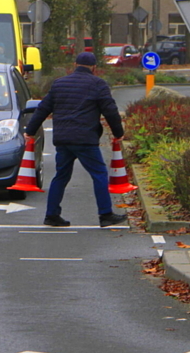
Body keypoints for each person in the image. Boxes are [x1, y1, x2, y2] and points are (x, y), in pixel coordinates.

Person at [24, 52, 128, 228]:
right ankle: (105, 214)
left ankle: (52, 215)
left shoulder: (59, 84)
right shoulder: (98, 84)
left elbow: (43, 108)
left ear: (75, 64)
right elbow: (110, 110)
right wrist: (118, 132)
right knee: (100, 174)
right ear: (94, 68)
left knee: (61, 176)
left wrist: (31, 130)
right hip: (85, 139)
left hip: (63, 139)